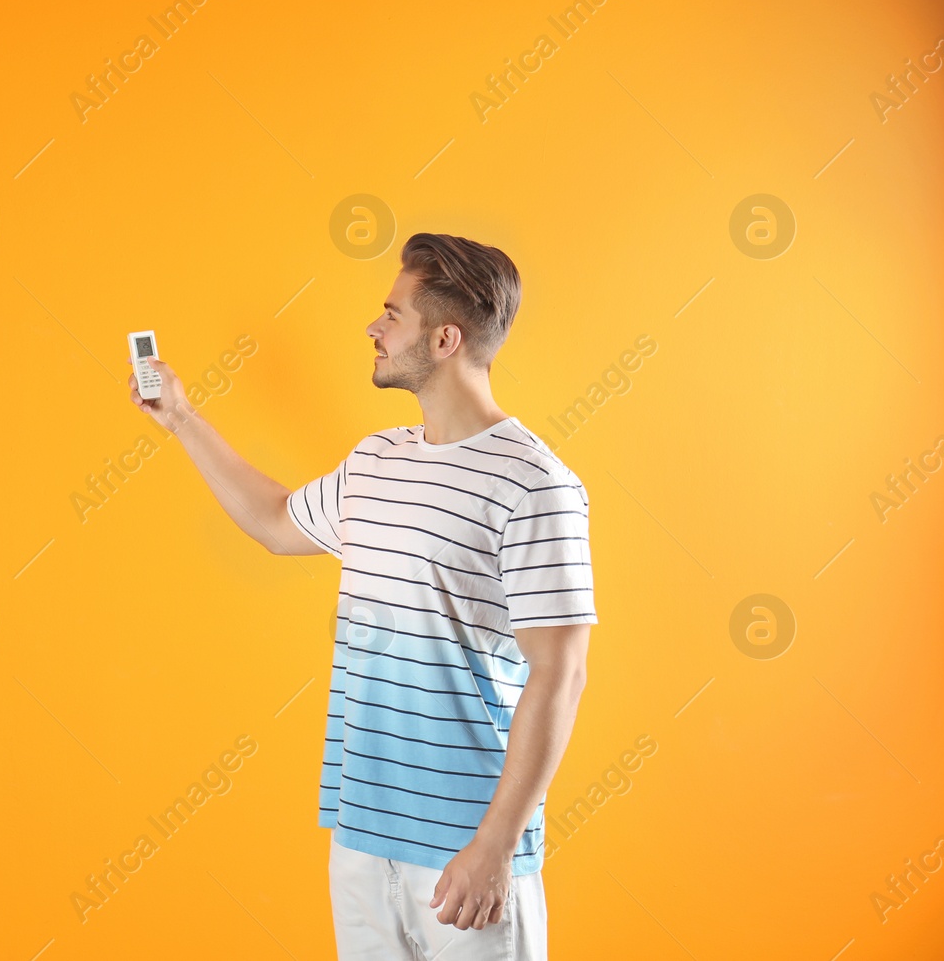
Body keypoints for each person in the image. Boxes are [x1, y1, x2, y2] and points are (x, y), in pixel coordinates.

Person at [127, 232, 594, 960]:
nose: (373, 328)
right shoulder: (375, 461)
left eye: (392, 314)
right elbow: (277, 522)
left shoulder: (535, 484)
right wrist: (182, 418)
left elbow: (560, 671)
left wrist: (495, 845)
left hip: (465, 851)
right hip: (361, 836)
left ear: (444, 338)